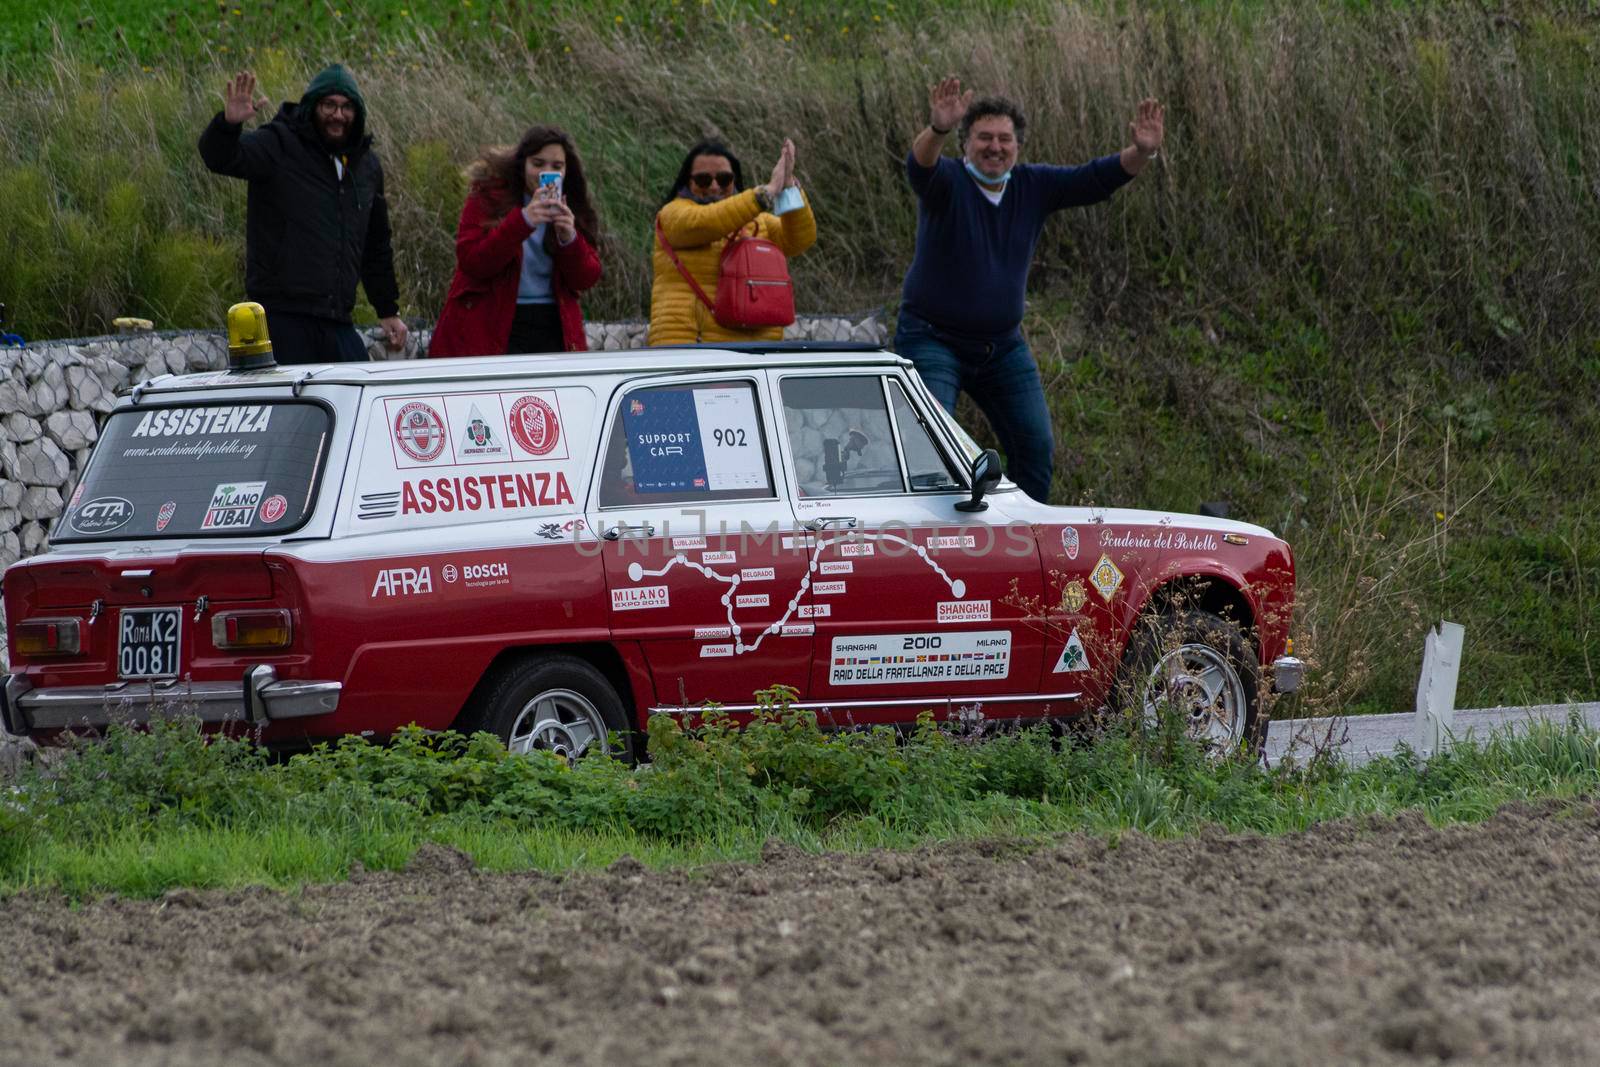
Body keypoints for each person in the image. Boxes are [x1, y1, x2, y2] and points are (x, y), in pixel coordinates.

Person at [895, 77, 1164, 503]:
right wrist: (939, 129)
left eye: (1004, 139)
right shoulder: (947, 182)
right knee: (929, 447)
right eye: (984, 137)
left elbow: (1093, 180)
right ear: (966, 142)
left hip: (1002, 347)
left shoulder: (1032, 186)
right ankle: (935, 542)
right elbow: (919, 165)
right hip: (932, 339)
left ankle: (1024, 542)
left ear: (1017, 146)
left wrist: (1142, 152)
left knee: (1036, 449)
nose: (995, 147)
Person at [199, 66, 407, 364]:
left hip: (337, 320)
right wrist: (227, 125)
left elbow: (376, 246)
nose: (338, 115)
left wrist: (388, 309)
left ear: (357, 113)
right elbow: (220, 158)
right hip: (282, 319)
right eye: (329, 105)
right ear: (312, 107)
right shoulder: (279, 144)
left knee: (358, 393)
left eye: (347, 107)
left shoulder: (366, 166)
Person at [429, 126, 603, 356]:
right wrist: (522, 222)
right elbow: (472, 261)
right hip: (492, 318)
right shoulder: (489, 195)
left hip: (551, 322)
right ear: (523, 165)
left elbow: (587, 277)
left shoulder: (572, 204)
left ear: (566, 170)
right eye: (538, 164)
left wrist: (569, 238)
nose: (546, 173)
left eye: (556, 166)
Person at [648, 139, 816, 346]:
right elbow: (709, 221)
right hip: (690, 347)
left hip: (754, 348)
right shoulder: (673, 215)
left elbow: (800, 239)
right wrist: (766, 193)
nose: (714, 186)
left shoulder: (757, 220)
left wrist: (788, 187)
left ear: (734, 180)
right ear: (687, 181)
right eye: (703, 180)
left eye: (724, 179)